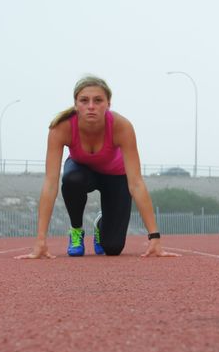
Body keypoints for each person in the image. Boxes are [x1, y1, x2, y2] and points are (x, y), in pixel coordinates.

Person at [16, 75, 178, 259]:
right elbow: (50, 184)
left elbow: (136, 183)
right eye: (84, 100)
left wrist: (154, 238)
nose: (91, 106)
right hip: (81, 172)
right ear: (76, 104)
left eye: (98, 100)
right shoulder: (61, 128)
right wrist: (40, 240)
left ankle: (100, 225)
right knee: (71, 179)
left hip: (115, 176)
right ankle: (76, 231)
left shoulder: (122, 126)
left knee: (113, 248)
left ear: (108, 103)